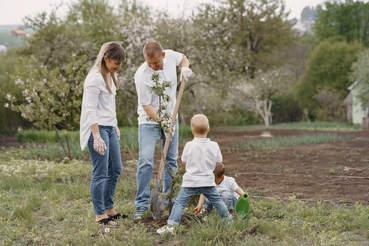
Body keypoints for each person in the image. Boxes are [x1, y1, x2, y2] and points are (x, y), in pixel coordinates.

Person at [134, 41, 193, 219]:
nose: (153, 66)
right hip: (148, 120)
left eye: (156, 63)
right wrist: (162, 122)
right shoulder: (142, 75)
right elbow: (146, 105)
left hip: (171, 117)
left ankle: (169, 201)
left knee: (171, 161)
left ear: (163, 56)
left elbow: (183, 58)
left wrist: (184, 68)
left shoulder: (170, 56)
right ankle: (142, 205)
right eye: (149, 63)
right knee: (145, 160)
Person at [156, 114, 232, 235]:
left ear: (192, 131)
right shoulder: (214, 145)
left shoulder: (189, 145)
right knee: (217, 201)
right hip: (207, 181)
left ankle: (171, 225)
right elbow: (219, 163)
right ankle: (227, 220)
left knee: (180, 203)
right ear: (208, 129)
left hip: (190, 182)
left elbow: (184, 161)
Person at [80, 42, 126, 227]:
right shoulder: (94, 78)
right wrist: (96, 135)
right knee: (100, 172)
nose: (119, 67)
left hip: (109, 127)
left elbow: (108, 105)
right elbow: (90, 109)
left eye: (121, 63)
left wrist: (115, 124)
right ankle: (100, 215)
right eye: (117, 62)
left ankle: (109, 208)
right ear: (105, 58)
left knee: (115, 169)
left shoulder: (109, 75)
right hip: (97, 129)